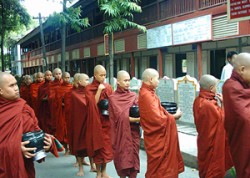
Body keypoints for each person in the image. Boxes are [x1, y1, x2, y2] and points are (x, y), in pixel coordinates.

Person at [0, 72, 59, 178]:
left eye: (15, 84)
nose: (16, 88)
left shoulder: (24, 108)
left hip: (24, 168)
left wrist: (45, 142)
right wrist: (15, 149)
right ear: (1, 90)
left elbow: (36, 132)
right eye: (11, 85)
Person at [138, 68, 184, 178]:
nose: (158, 81)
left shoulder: (149, 93)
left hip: (157, 137)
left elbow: (158, 112)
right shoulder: (147, 95)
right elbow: (157, 119)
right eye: (157, 79)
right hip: (156, 138)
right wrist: (174, 117)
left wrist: (169, 116)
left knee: (161, 168)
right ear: (150, 79)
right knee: (159, 170)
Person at [193, 74, 233, 178]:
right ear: (211, 89)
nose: (217, 88)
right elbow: (223, 121)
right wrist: (224, 104)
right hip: (213, 144)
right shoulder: (209, 105)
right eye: (216, 86)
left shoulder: (197, 101)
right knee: (213, 170)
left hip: (203, 141)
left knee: (205, 168)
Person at [223, 52, 250, 178]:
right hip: (243, 139)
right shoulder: (231, 86)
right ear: (243, 69)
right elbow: (244, 116)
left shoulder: (245, 84)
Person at [109, 70, 140, 178]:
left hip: (133, 134)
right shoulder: (113, 98)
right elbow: (118, 118)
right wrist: (137, 119)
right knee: (122, 162)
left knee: (134, 162)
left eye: (129, 80)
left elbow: (138, 111)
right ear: (118, 82)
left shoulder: (133, 96)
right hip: (120, 135)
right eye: (125, 80)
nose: (128, 83)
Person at [85, 65, 113, 178]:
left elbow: (112, 102)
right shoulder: (89, 88)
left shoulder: (109, 87)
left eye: (105, 75)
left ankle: (104, 171)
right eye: (101, 75)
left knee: (106, 147)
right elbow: (92, 104)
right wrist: (99, 90)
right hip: (95, 121)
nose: (103, 77)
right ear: (95, 75)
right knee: (97, 147)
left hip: (106, 121)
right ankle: (98, 172)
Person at [54, 72, 73, 155]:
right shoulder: (59, 88)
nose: (67, 79)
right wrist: (61, 103)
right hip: (62, 112)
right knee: (63, 130)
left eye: (68, 77)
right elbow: (56, 100)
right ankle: (66, 148)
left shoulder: (72, 87)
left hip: (71, 112)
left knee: (70, 130)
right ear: (63, 77)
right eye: (65, 77)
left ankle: (72, 148)